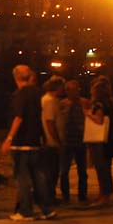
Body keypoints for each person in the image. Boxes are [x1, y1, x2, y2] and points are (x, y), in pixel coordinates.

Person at [1, 65, 54, 221]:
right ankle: (46, 209)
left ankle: (25, 211)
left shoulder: (19, 95)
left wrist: (9, 138)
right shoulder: (37, 93)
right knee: (39, 176)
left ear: (15, 77)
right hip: (34, 140)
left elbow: (18, 118)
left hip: (21, 142)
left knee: (22, 178)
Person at [86, 77, 113, 207]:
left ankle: (104, 195)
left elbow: (99, 120)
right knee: (106, 169)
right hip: (109, 139)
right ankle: (105, 194)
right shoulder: (110, 103)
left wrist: (87, 114)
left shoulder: (98, 104)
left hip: (99, 141)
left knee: (101, 169)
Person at [59, 79, 88, 204]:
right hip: (67, 140)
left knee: (82, 170)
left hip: (80, 139)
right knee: (64, 170)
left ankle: (82, 194)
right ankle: (65, 195)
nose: (74, 93)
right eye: (71, 90)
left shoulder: (84, 102)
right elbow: (61, 120)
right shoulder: (63, 104)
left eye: (76, 90)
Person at [40, 76, 64, 207]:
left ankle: (50, 195)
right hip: (51, 143)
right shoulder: (49, 101)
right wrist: (57, 141)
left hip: (52, 141)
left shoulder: (52, 100)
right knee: (51, 171)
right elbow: (50, 123)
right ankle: (49, 196)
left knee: (53, 170)